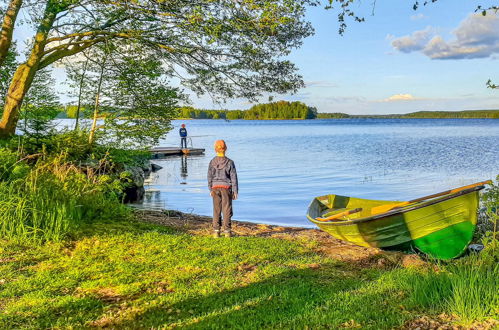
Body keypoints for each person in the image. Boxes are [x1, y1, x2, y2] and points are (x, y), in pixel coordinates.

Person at [207, 140, 238, 238]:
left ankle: (216, 231)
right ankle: (227, 231)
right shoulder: (230, 162)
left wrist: (210, 189)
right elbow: (233, 177)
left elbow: (209, 177)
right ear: (226, 148)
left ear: (215, 149)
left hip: (215, 187)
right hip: (226, 188)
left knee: (216, 209)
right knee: (227, 209)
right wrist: (235, 191)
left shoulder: (212, 162)